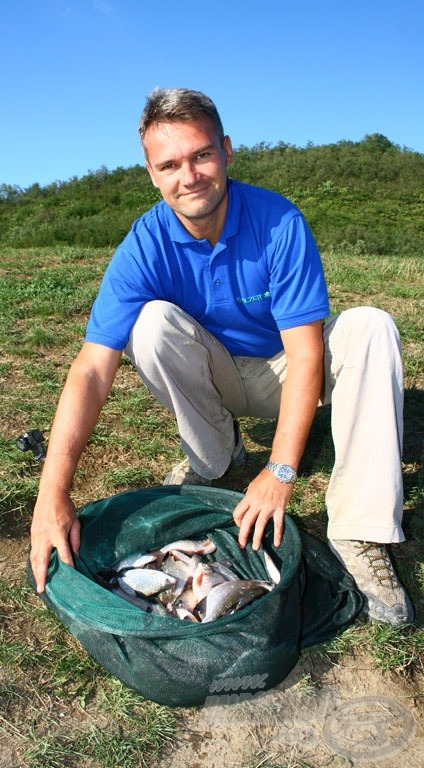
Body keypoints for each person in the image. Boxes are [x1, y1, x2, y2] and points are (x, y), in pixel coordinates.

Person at [30, 87, 413, 626]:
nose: (189, 176)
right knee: (151, 324)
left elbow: (305, 355)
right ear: (151, 174)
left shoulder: (278, 221)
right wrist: (53, 491)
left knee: (371, 326)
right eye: (169, 165)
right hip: (219, 374)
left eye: (201, 155)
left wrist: (280, 471)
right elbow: (92, 368)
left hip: (287, 367)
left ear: (226, 150)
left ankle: (360, 530)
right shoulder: (143, 245)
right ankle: (214, 458)